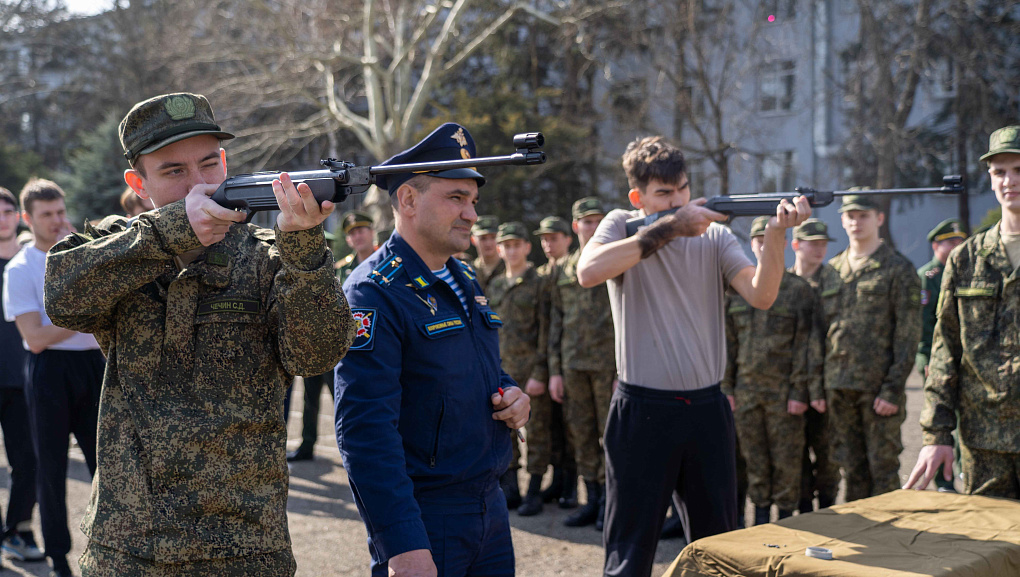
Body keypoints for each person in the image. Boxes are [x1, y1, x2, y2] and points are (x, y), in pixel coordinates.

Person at [44, 92, 354, 576]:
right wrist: (170, 234)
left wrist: (305, 250)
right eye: (174, 172)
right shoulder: (119, 247)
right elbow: (62, 296)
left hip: (247, 545)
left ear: (226, 162)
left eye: (209, 165)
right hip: (130, 546)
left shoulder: (268, 256)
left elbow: (316, 356)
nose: (199, 185)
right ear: (138, 183)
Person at [576, 135, 810, 577]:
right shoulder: (619, 223)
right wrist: (669, 227)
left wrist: (779, 233)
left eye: (682, 189)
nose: (678, 200)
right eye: (664, 193)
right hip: (641, 409)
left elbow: (761, 294)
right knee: (629, 551)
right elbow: (588, 271)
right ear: (638, 197)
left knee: (720, 548)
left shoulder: (716, 236)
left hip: (706, 409)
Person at [334, 122, 531, 577]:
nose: (471, 214)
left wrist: (510, 394)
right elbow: (365, 432)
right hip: (427, 516)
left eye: (473, 201)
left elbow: (480, 370)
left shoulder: (461, 278)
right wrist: (400, 543)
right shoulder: (372, 292)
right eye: (456, 198)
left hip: (489, 505)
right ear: (407, 199)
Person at [904, 124, 1020, 498]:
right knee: (989, 552)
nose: (1009, 181)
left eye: (1018, 170)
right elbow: (945, 349)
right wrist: (937, 435)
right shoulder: (966, 258)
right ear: (989, 178)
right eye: (1000, 171)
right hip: (984, 443)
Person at [3, 178, 103, 577]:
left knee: (107, 464)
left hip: (94, 367)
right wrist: (84, 314)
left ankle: (109, 548)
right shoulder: (19, 268)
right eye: (46, 215)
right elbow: (36, 337)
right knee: (50, 467)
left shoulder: (86, 255)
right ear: (29, 219)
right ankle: (58, 555)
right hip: (48, 373)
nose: (57, 221)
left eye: (61, 211)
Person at [825, 193, 921, 502]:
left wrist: (892, 389)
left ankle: (889, 542)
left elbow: (907, 335)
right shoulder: (832, 269)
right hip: (840, 389)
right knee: (851, 471)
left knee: (883, 470)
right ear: (842, 220)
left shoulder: (898, 269)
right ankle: (860, 533)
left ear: (879, 218)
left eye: (863, 214)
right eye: (850, 215)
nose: (856, 221)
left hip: (878, 391)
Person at [723, 216, 813, 525]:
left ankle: (787, 523)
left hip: (784, 395)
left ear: (782, 244)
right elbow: (728, 344)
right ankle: (760, 522)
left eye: (769, 239)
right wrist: (727, 388)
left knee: (787, 463)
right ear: (751, 245)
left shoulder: (798, 290)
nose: (764, 245)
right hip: (746, 394)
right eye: (758, 240)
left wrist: (800, 390)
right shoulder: (737, 288)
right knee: (754, 462)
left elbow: (805, 345)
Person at [548, 197, 616, 529]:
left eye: (597, 221)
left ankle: (612, 503)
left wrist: (622, 370)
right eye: (586, 221)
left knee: (610, 436)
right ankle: (592, 497)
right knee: (581, 435)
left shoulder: (615, 262)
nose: (592, 226)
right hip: (573, 365)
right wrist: (555, 371)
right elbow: (555, 322)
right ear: (575, 226)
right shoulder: (563, 269)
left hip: (606, 367)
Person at [487, 222, 549, 517]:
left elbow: (546, 329)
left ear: (527, 247)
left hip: (531, 370)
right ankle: (511, 488)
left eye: (516, 245)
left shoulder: (539, 283)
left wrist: (541, 371)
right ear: (499, 250)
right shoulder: (496, 285)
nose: (511, 250)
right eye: (506, 246)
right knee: (505, 429)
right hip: (503, 370)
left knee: (535, 432)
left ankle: (535, 490)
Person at [0, 186, 43, 567]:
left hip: (20, 378)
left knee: (28, 461)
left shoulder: (35, 260)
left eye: (7, 210)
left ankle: (16, 530)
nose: (2, 217)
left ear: (18, 215)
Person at [789, 218, 840, 512]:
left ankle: (830, 511)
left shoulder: (835, 280)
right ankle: (805, 511)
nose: (821, 249)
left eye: (824, 244)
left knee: (828, 455)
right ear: (796, 245)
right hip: (791, 387)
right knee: (795, 455)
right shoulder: (782, 282)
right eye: (814, 243)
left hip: (825, 386)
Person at [915, 218, 967, 492]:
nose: (957, 246)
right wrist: (926, 361)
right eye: (951, 242)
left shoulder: (966, 272)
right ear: (936, 246)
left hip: (964, 358)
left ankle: (961, 471)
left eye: (960, 242)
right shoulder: (928, 276)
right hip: (937, 359)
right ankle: (943, 481)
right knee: (938, 417)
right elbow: (924, 324)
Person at [533, 216, 577, 509]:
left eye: (555, 237)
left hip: (567, 359)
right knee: (552, 428)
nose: (549, 243)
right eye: (545, 239)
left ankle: (571, 487)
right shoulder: (539, 274)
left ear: (567, 239)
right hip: (546, 360)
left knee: (571, 426)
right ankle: (558, 480)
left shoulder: (572, 271)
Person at [335, 210, 379, 285]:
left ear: (372, 232)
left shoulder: (385, 260)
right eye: (352, 234)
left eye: (360, 231)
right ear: (348, 240)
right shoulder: (344, 268)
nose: (357, 237)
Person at [470, 215, 505, 292]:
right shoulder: (468, 271)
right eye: (483, 238)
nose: (488, 243)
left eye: (493, 237)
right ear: (473, 240)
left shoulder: (509, 270)